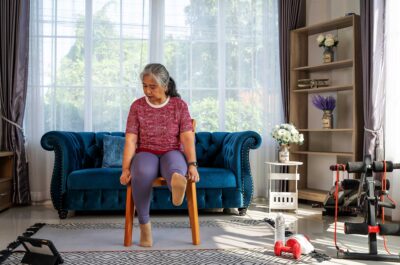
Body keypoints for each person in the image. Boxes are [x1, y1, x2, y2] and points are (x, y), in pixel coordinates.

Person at [119, 63, 200, 247]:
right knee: (141, 172)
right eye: (144, 86)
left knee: (175, 168)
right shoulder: (137, 107)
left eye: (152, 86)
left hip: (172, 150)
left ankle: (177, 185)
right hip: (146, 152)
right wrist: (125, 169)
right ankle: (145, 226)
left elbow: (187, 138)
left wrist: (192, 164)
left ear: (165, 85)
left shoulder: (179, 105)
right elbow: (131, 140)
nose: (147, 90)